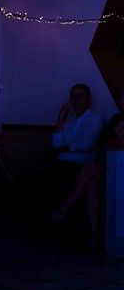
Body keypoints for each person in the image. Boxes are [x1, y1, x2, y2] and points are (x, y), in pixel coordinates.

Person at [50, 113, 124, 248]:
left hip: (118, 163)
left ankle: (64, 209)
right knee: (91, 183)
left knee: (89, 169)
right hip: (110, 162)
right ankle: (93, 234)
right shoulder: (116, 118)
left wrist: (118, 142)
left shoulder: (99, 119)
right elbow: (103, 143)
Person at [50, 83, 104, 202]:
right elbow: (56, 143)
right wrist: (61, 117)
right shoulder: (69, 120)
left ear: (88, 99)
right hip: (61, 162)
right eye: (73, 96)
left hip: (79, 165)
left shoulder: (96, 118)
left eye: (80, 96)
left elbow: (85, 145)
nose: (76, 99)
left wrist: (64, 147)